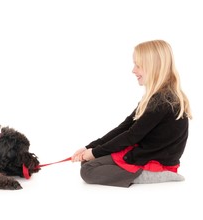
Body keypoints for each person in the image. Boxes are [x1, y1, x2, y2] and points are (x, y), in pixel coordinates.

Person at [71, 40, 192, 187]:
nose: (133, 70)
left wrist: (96, 152)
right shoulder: (154, 98)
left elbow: (131, 136)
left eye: (138, 65)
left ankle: (155, 174)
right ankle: (132, 170)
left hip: (155, 161)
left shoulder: (163, 101)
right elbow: (125, 127)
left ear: (153, 67)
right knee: (87, 162)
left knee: (88, 171)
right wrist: (90, 148)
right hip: (141, 153)